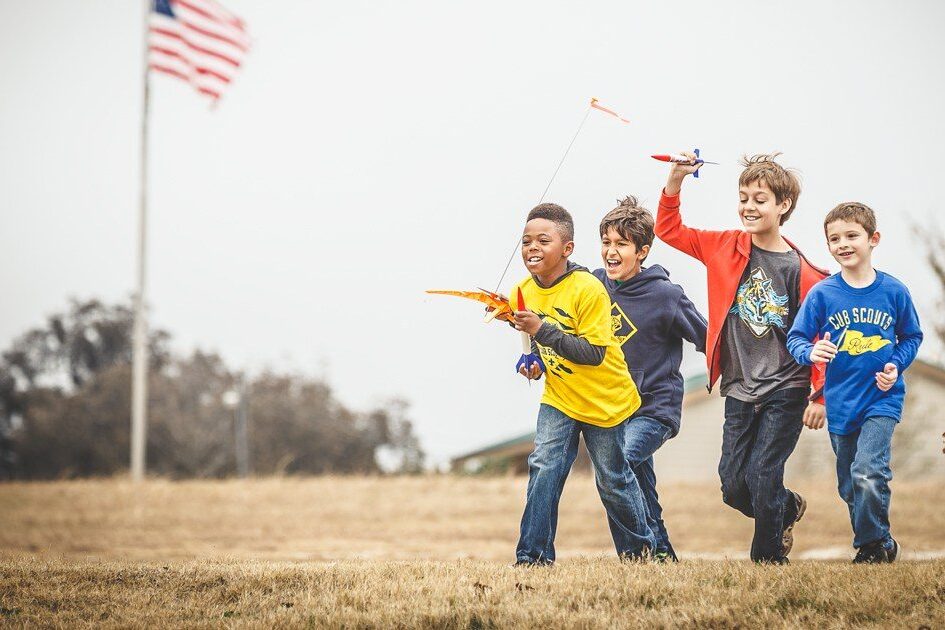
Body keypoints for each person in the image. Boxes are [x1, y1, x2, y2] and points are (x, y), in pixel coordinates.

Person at [654, 152, 827, 563]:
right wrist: (675, 181)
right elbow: (668, 229)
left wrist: (820, 396)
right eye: (743, 197)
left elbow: (820, 341)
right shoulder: (723, 247)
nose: (748, 206)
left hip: (787, 388)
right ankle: (786, 509)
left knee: (763, 475)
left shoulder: (806, 274)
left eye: (760, 199)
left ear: (783, 206)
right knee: (733, 485)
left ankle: (767, 563)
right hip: (740, 387)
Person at [511, 202, 656, 565]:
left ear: (568, 249)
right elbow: (536, 346)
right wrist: (534, 364)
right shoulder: (522, 290)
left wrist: (541, 330)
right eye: (526, 240)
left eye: (543, 240)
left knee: (613, 480)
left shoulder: (588, 288)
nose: (532, 247)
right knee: (544, 468)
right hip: (560, 398)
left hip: (604, 402)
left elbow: (592, 353)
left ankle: (639, 554)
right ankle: (533, 557)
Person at [787, 202, 922, 563]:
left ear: (872, 239)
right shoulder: (823, 295)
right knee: (850, 484)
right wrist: (810, 354)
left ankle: (872, 547)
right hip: (841, 402)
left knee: (868, 472)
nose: (842, 244)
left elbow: (911, 337)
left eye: (851, 236)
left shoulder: (893, 291)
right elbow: (797, 338)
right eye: (834, 238)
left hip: (882, 399)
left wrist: (895, 364)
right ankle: (882, 540)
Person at [592, 196, 707, 561]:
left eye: (621, 244)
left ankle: (636, 554)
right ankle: (661, 556)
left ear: (642, 251)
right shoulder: (593, 286)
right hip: (613, 410)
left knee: (616, 466)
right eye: (607, 242)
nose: (611, 251)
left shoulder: (666, 295)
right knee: (639, 485)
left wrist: (738, 372)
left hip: (654, 408)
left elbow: (707, 338)